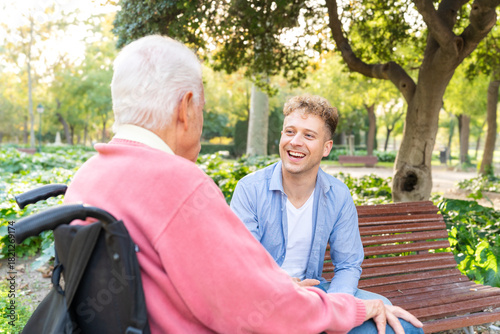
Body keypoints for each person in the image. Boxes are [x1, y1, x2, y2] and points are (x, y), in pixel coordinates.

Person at [64, 34, 423, 334]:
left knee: (384, 311)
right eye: (202, 107)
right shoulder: (180, 184)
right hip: (267, 310)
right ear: (186, 108)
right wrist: (348, 310)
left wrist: (338, 302)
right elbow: (257, 304)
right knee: (399, 326)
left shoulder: (87, 178)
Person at [230, 94, 389, 303]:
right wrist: (284, 287)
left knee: (387, 311)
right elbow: (243, 263)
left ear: (326, 148)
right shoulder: (250, 190)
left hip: (315, 294)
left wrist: (336, 306)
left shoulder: (338, 196)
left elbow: (348, 264)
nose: (295, 142)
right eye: (290, 132)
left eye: (309, 136)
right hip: (262, 294)